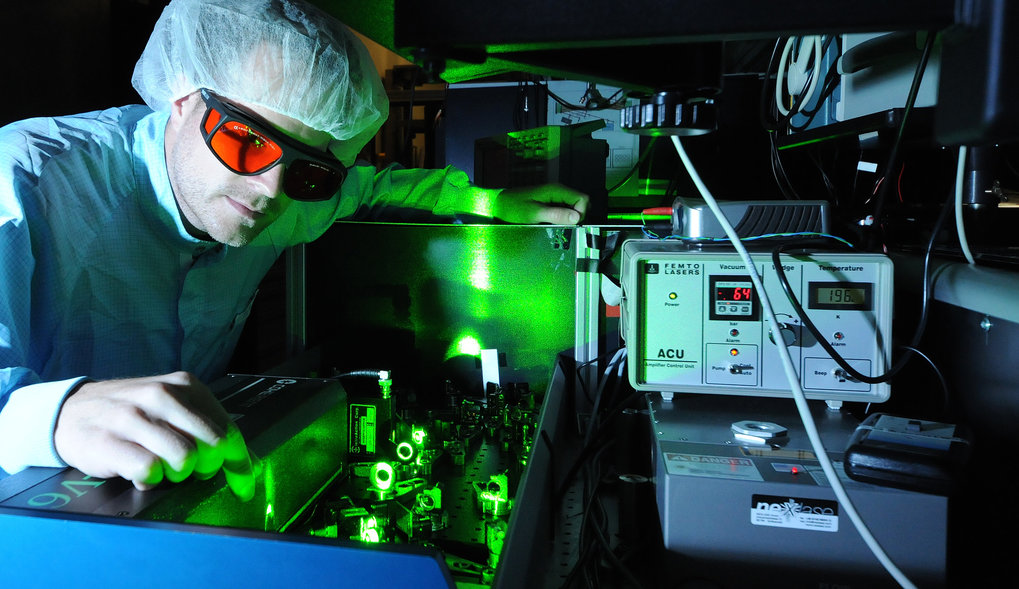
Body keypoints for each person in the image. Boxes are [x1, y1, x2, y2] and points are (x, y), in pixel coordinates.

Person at [0, 0, 588, 501]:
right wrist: (55, 416)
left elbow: (373, 185)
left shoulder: (287, 195)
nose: (270, 192)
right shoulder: (26, 181)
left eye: (308, 171)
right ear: (183, 97)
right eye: (247, 141)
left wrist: (489, 202)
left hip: (180, 504)